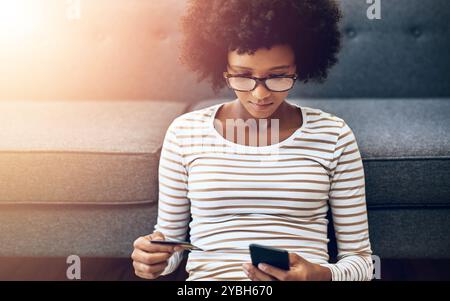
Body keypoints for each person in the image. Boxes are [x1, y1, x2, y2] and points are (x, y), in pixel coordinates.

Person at [132, 0, 373, 281]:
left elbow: (362, 263)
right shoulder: (184, 133)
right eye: (244, 76)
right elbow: (171, 249)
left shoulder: (333, 135)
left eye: (278, 76)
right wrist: (153, 260)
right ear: (223, 68)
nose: (260, 95)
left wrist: (318, 275)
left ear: (300, 66)